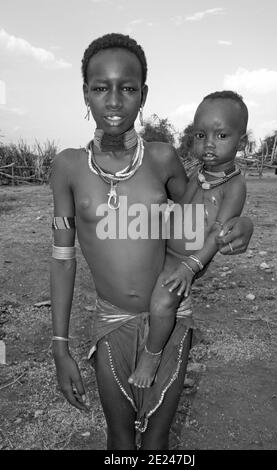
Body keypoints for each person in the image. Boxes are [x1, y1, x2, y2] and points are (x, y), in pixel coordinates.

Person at [50, 33, 254, 450]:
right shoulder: (68, 167)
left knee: (158, 440)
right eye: (100, 88)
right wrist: (60, 347)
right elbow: (63, 259)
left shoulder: (162, 159)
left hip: (173, 316)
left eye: (127, 88)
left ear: (143, 94)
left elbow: (196, 218)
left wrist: (242, 224)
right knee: (120, 440)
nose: (113, 101)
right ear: (85, 93)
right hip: (111, 322)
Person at [129, 91, 248, 388]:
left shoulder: (233, 185)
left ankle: (152, 355)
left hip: (188, 258)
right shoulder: (200, 172)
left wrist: (191, 267)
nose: (208, 143)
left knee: (162, 300)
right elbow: (182, 202)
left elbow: (218, 232)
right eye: (200, 135)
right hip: (168, 246)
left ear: (241, 143)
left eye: (221, 135)